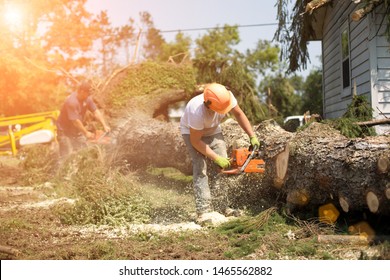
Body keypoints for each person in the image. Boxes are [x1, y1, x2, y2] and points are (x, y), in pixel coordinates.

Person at [180, 83, 260, 225]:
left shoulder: (226, 97)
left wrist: (252, 135)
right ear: (208, 104)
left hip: (213, 129)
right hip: (192, 134)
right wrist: (216, 158)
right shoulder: (196, 111)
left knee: (223, 168)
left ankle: (222, 206)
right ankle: (203, 211)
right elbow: (196, 141)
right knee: (201, 168)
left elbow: (239, 114)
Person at [56, 81, 111, 157]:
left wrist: (104, 125)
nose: (89, 95)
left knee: (84, 151)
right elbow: (75, 121)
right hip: (64, 130)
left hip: (75, 129)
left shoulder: (87, 99)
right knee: (66, 154)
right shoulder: (71, 101)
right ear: (82, 91)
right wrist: (86, 133)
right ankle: (62, 167)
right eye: (88, 93)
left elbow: (96, 112)